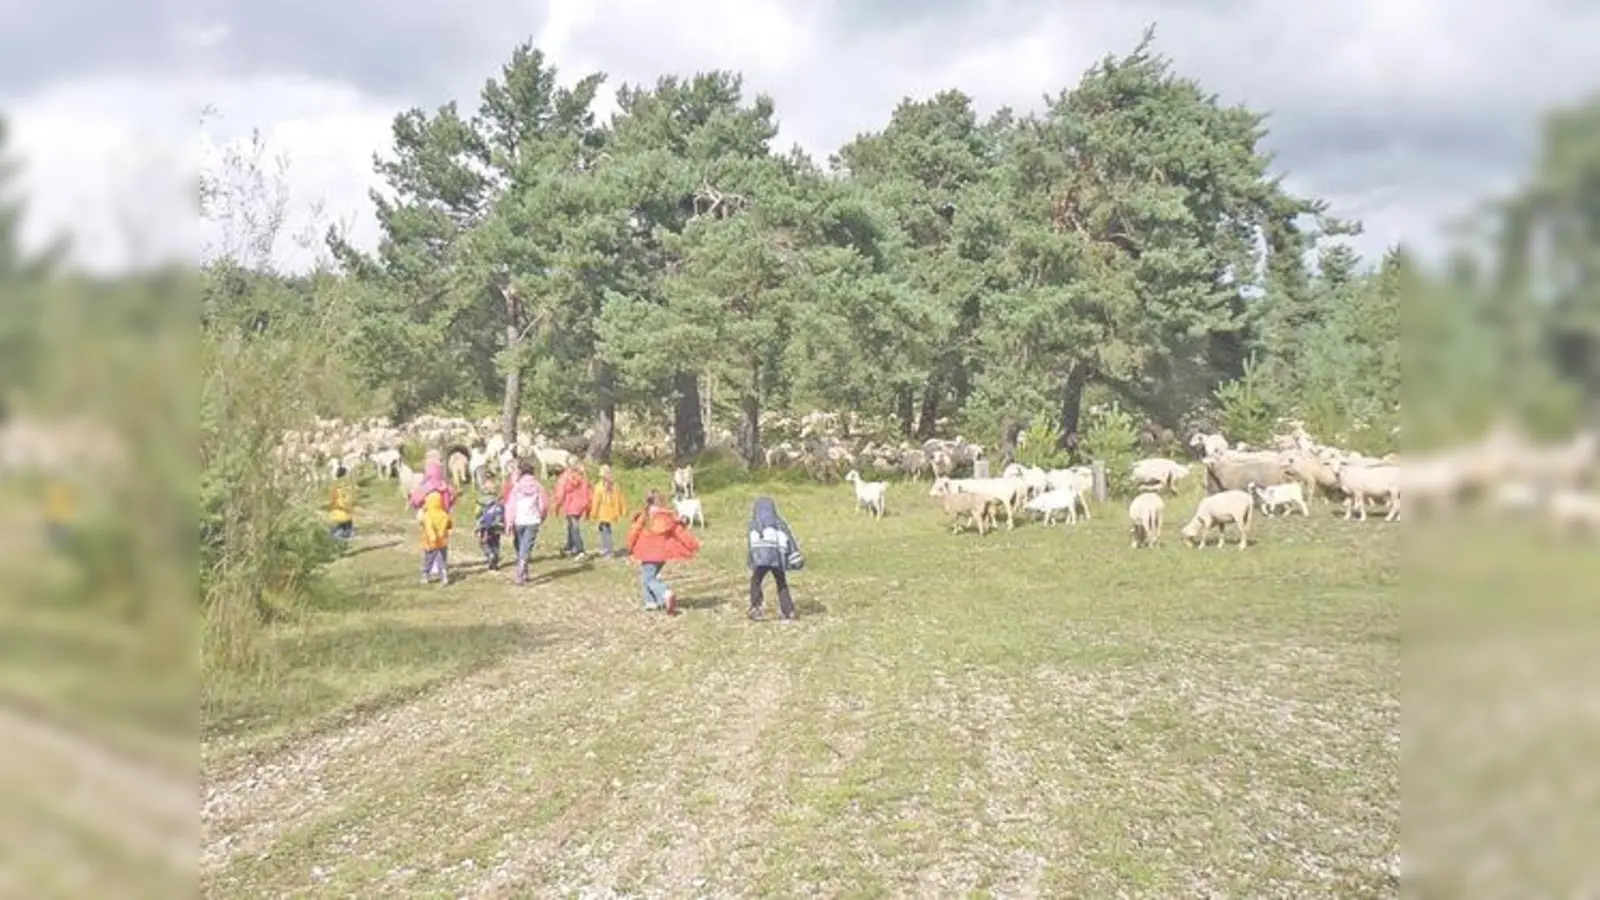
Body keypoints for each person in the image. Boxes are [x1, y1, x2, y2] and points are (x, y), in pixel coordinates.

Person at [626, 489, 700, 615]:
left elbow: (634, 531)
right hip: (662, 555)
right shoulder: (668, 517)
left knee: (649, 579)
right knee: (648, 577)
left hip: (647, 553)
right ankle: (652, 602)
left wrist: (629, 546)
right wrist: (693, 544)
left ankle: (665, 593)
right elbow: (680, 533)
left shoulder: (645, 516)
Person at [746, 496, 802, 621]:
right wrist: (794, 556)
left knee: (755, 581)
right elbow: (790, 540)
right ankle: (789, 611)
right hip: (777, 558)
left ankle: (756, 607)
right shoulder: (779, 523)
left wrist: (751, 561)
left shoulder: (754, 523)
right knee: (781, 583)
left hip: (760, 560)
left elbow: (751, 545)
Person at [505, 462, 548, 585]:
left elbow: (510, 506)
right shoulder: (538, 486)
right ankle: (523, 568)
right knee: (526, 545)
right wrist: (542, 516)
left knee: (520, 545)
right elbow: (544, 505)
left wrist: (509, 522)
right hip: (533, 520)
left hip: (519, 520)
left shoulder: (517, 487)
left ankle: (521, 569)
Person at [552, 465, 593, 560]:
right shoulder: (582, 477)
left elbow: (560, 494)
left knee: (574, 528)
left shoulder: (565, 478)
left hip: (570, 505)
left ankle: (580, 550)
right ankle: (569, 547)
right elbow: (588, 492)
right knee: (571, 526)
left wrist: (557, 506)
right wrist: (587, 507)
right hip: (580, 505)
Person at [587, 464, 628, 558]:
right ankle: (607, 549)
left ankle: (608, 551)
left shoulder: (599, 487)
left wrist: (593, 515)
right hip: (612, 512)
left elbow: (596, 502)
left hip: (603, 513)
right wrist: (623, 510)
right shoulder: (615, 485)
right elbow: (621, 499)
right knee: (605, 529)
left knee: (606, 532)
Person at [419, 489, 453, 585]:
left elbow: (428, 527)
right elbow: (449, 524)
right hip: (443, 541)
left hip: (430, 542)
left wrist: (433, 537)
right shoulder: (444, 513)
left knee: (428, 559)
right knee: (442, 559)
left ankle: (425, 575)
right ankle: (444, 577)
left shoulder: (428, 514)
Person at [474, 475, 506, 570]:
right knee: (496, 542)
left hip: (484, 525)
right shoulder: (499, 500)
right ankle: (495, 560)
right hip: (497, 525)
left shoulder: (481, 500)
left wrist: (478, 522)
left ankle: (489, 554)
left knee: (484, 542)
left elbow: (477, 513)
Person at [327, 466, 356, 542]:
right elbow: (343, 498)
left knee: (339, 528)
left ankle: (335, 539)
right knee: (344, 530)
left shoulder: (334, 484)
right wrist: (347, 506)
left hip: (336, 511)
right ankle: (336, 540)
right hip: (342, 511)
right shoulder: (342, 485)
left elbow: (332, 498)